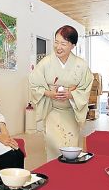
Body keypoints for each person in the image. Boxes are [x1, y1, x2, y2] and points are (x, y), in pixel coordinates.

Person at [29, 25, 93, 161]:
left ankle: (69, 176)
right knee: (54, 144)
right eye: (56, 42)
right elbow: (34, 84)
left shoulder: (81, 65)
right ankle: (55, 173)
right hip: (53, 110)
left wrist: (72, 95)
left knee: (71, 146)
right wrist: (48, 93)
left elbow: (86, 87)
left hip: (71, 112)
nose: (58, 47)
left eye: (63, 43)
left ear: (73, 45)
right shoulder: (45, 63)